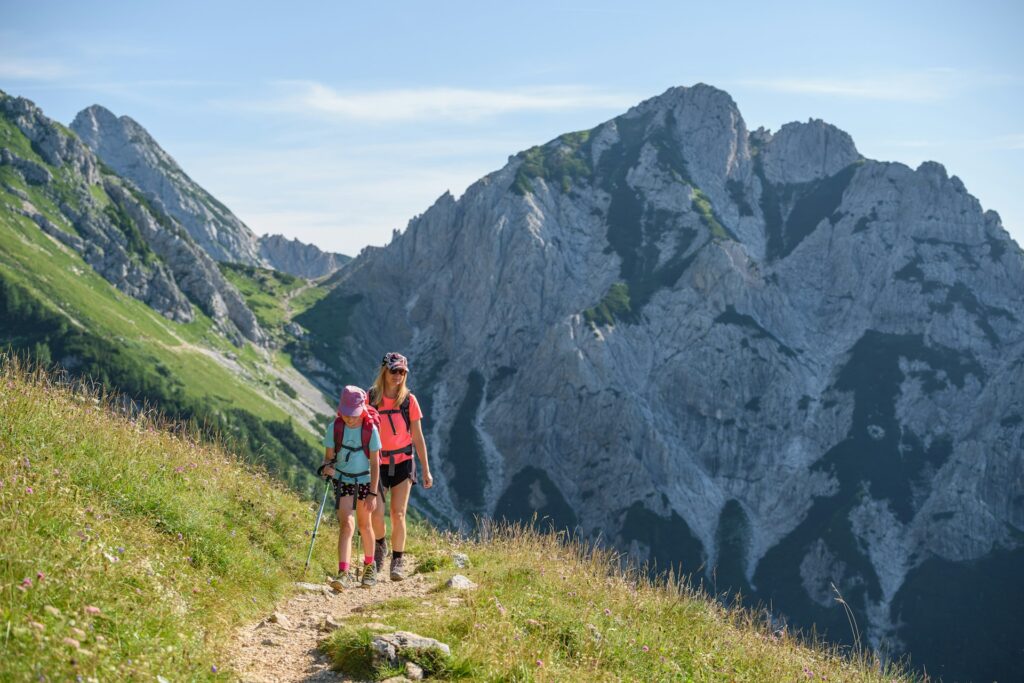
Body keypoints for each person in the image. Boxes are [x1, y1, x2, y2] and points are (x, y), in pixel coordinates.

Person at [368, 352, 433, 580]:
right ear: (384, 370)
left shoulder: (408, 400)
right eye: (394, 370)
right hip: (377, 463)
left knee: (398, 513)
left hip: (404, 461)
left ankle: (397, 560)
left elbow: (417, 436)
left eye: (402, 372)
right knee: (375, 513)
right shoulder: (372, 398)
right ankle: (380, 546)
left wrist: (426, 469)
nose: (398, 376)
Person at [319, 385, 380, 588]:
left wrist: (373, 492)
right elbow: (328, 459)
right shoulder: (334, 428)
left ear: (362, 409)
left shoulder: (370, 430)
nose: (349, 419)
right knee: (347, 524)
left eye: (353, 415)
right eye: (346, 414)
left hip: (365, 482)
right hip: (343, 480)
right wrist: (327, 468)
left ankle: (369, 568)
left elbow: (375, 463)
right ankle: (343, 572)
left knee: (365, 525)